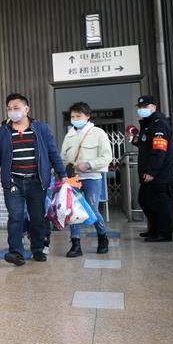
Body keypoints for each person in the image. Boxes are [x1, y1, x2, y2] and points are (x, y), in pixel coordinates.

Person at [0, 93, 67, 266]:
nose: (12, 111)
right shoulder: (3, 131)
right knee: (15, 217)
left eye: (16, 108)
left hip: (37, 181)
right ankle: (16, 252)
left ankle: (37, 249)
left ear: (26, 109)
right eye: (9, 109)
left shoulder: (41, 129)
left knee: (37, 217)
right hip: (13, 181)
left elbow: (53, 152)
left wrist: (63, 175)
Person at [60, 102, 112, 256]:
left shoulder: (98, 133)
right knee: (73, 209)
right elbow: (62, 157)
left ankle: (102, 237)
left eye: (79, 116)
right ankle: (75, 244)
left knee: (92, 209)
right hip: (73, 179)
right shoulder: (69, 135)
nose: (75, 119)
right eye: (73, 117)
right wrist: (59, 171)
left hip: (92, 178)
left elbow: (107, 157)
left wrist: (89, 164)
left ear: (87, 116)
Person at [132, 95, 173, 242]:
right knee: (145, 200)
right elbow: (146, 144)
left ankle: (163, 233)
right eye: (140, 107)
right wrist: (136, 140)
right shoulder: (148, 124)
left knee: (159, 204)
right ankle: (154, 230)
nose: (141, 109)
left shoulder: (159, 124)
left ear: (153, 107)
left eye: (145, 106)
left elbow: (159, 150)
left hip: (159, 174)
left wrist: (151, 172)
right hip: (149, 173)